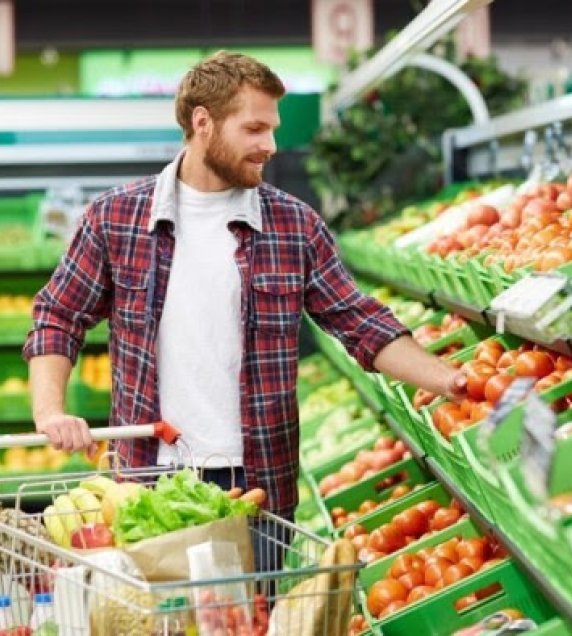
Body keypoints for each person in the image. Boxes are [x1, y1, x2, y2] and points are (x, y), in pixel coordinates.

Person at [23, 51, 466, 522]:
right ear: (203, 122)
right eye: (254, 129)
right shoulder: (116, 218)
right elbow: (58, 314)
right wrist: (50, 411)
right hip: (149, 480)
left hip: (257, 488)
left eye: (272, 129)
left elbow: (359, 323)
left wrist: (451, 380)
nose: (271, 145)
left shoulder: (293, 225)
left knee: (253, 599)